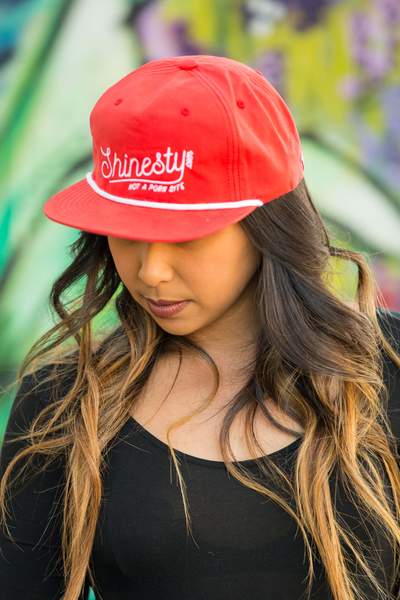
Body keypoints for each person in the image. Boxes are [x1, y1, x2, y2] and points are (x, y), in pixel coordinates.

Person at [0, 54, 399, 600]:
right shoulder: (62, 404)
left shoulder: (387, 366)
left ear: (267, 224)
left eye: (185, 235)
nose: (151, 272)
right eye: (127, 232)